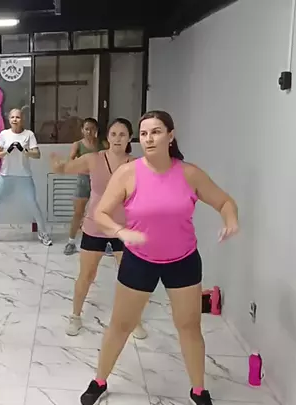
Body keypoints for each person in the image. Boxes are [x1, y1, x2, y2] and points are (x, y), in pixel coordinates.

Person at [79, 111, 239, 405]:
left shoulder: (189, 173)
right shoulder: (128, 173)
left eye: (155, 132)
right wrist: (120, 231)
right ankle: (99, 380)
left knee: (189, 326)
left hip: (183, 261)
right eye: (144, 134)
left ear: (170, 135)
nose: (149, 139)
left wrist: (230, 220)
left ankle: (199, 390)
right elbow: (101, 213)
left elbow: (225, 201)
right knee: (121, 325)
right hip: (139, 260)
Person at [51, 118, 147, 339]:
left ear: (130, 138)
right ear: (107, 137)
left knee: (132, 277)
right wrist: (57, 165)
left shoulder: (137, 165)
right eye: (113, 134)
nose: (117, 139)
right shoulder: (93, 159)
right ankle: (75, 316)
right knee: (87, 274)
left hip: (123, 228)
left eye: (122, 135)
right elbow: (65, 168)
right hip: (95, 226)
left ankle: (134, 320)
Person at [0, 108, 52, 246]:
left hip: (24, 176)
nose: (15, 120)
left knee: (33, 203)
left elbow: (37, 154)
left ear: (22, 119)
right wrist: (7, 151)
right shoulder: (4, 134)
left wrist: (24, 150)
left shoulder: (29, 134)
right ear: (9, 119)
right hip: (6, 175)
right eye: (12, 117)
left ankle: (43, 233)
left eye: (18, 117)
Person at [64, 118, 100, 256]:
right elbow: (70, 162)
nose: (89, 132)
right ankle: (71, 242)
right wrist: (83, 164)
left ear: (96, 130)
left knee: (102, 212)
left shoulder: (102, 143)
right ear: (82, 130)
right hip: (83, 180)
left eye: (92, 129)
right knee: (78, 213)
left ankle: (107, 243)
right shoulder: (77, 144)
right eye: (87, 129)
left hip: (99, 180)